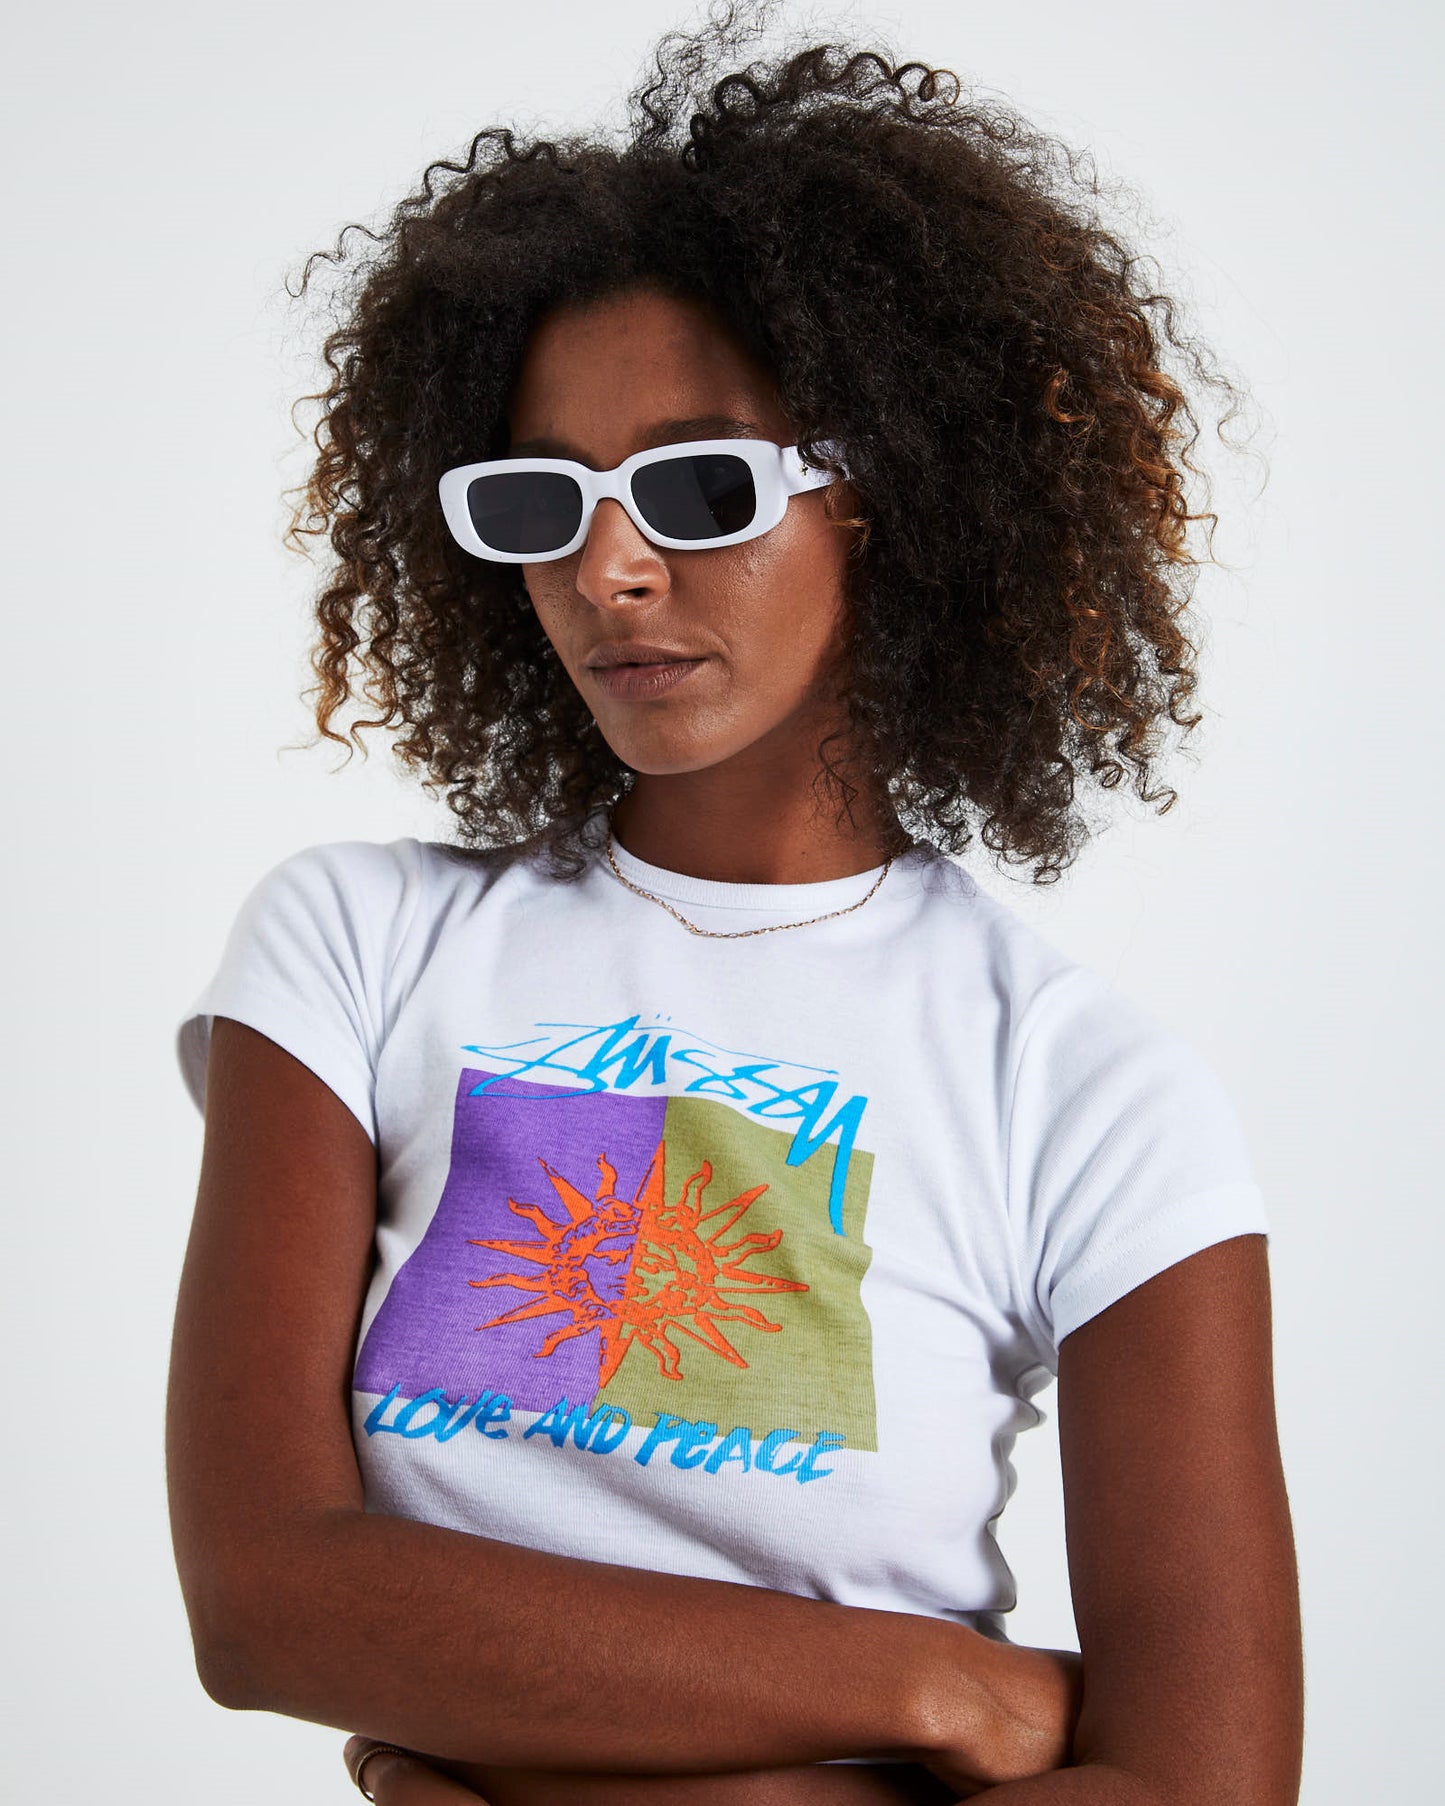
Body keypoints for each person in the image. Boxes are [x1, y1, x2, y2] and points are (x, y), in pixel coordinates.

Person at [165, 4, 1303, 1802]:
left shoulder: (1081, 1090)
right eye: (541, 499)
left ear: (889, 496)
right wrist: (937, 1688)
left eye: (699, 487)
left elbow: (1201, 1785)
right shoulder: (354, 951)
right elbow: (265, 1604)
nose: (608, 565)